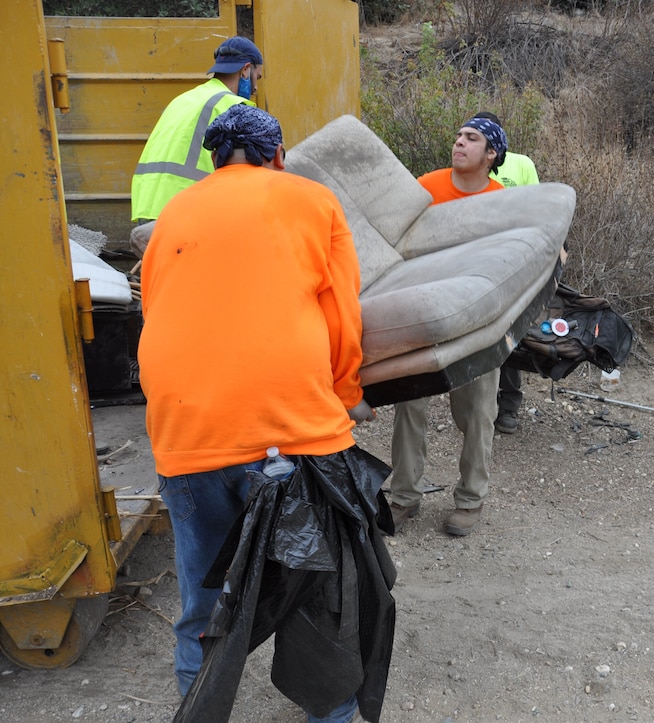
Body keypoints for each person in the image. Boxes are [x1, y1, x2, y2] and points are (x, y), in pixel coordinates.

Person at [138, 104, 373, 723]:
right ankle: (332, 714)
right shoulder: (311, 200)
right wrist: (346, 393)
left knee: (204, 595)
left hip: (186, 430)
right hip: (290, 427)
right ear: (277, 156)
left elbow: (156, 311)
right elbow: (343, 315)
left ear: (216, 160)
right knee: (317, 589)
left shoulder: (173, 215)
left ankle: (199, 707)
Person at [387, 115, 508, 537]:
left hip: (477, 323)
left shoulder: (501, 200)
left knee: (477, 411)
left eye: (471, 139)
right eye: (458, 135)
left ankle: (470, 500)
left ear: (490, 155)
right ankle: (404, 496)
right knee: (409, 403)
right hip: (423, 314)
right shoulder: (426, 187)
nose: (459, 143)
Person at [129, 36, 264, 255]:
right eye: (258, 77)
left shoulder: (185, 98)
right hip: (185, 209)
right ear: (246, 70)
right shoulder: (234, 106)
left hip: (148, 205)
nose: (256, 87)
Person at [472, 111, 541, 435]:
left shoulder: (521, 164)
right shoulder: (465, 168)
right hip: (477, 261)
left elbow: (535, 207)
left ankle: (509, 405)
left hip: (512, 259)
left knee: (509, 334)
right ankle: (478, 404)